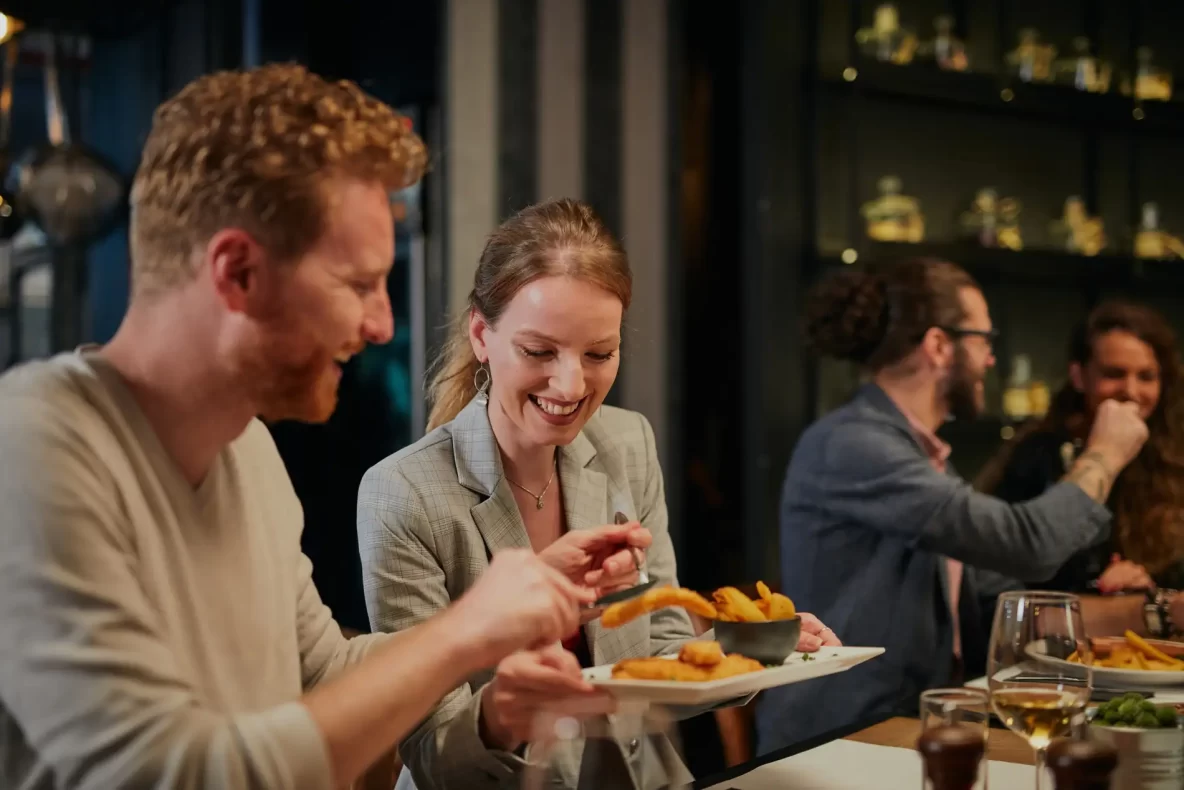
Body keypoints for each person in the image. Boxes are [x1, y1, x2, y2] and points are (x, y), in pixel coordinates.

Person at [0, 65, 599, 790]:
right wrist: (462, 633)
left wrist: (492, 621)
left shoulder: (246, 447)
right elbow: (163, 775)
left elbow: (321, 672)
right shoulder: (33, 445)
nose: (382, 324)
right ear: (238, 273)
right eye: (356, 285)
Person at [356, 198, 840, 790]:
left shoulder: (627, 441)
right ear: (482, 335)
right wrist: (506, 710)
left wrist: (751, 652)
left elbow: (658, 654)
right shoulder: (404, 493)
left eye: (599, 354)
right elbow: (434, 754)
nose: (572, 384)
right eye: (539, 352)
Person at [754, 259, 1149, 753]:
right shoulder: (854, 443)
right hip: (842, 738)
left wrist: (1153, 613)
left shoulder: (923, 458)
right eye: (983, 339)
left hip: (913, 726)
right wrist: (1105, 453)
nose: (989, 359)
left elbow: (1010, 606)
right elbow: (1030, 545)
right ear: (940, 345)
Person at [979, 300, 1184, 594]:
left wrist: (1147, 586)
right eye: (1114, 374)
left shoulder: (1174, 457)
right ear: (1079, 376)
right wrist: (1098, 585)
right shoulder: (1036, 455)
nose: (1131, 391)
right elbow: (1008, 571)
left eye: (1146, 377)